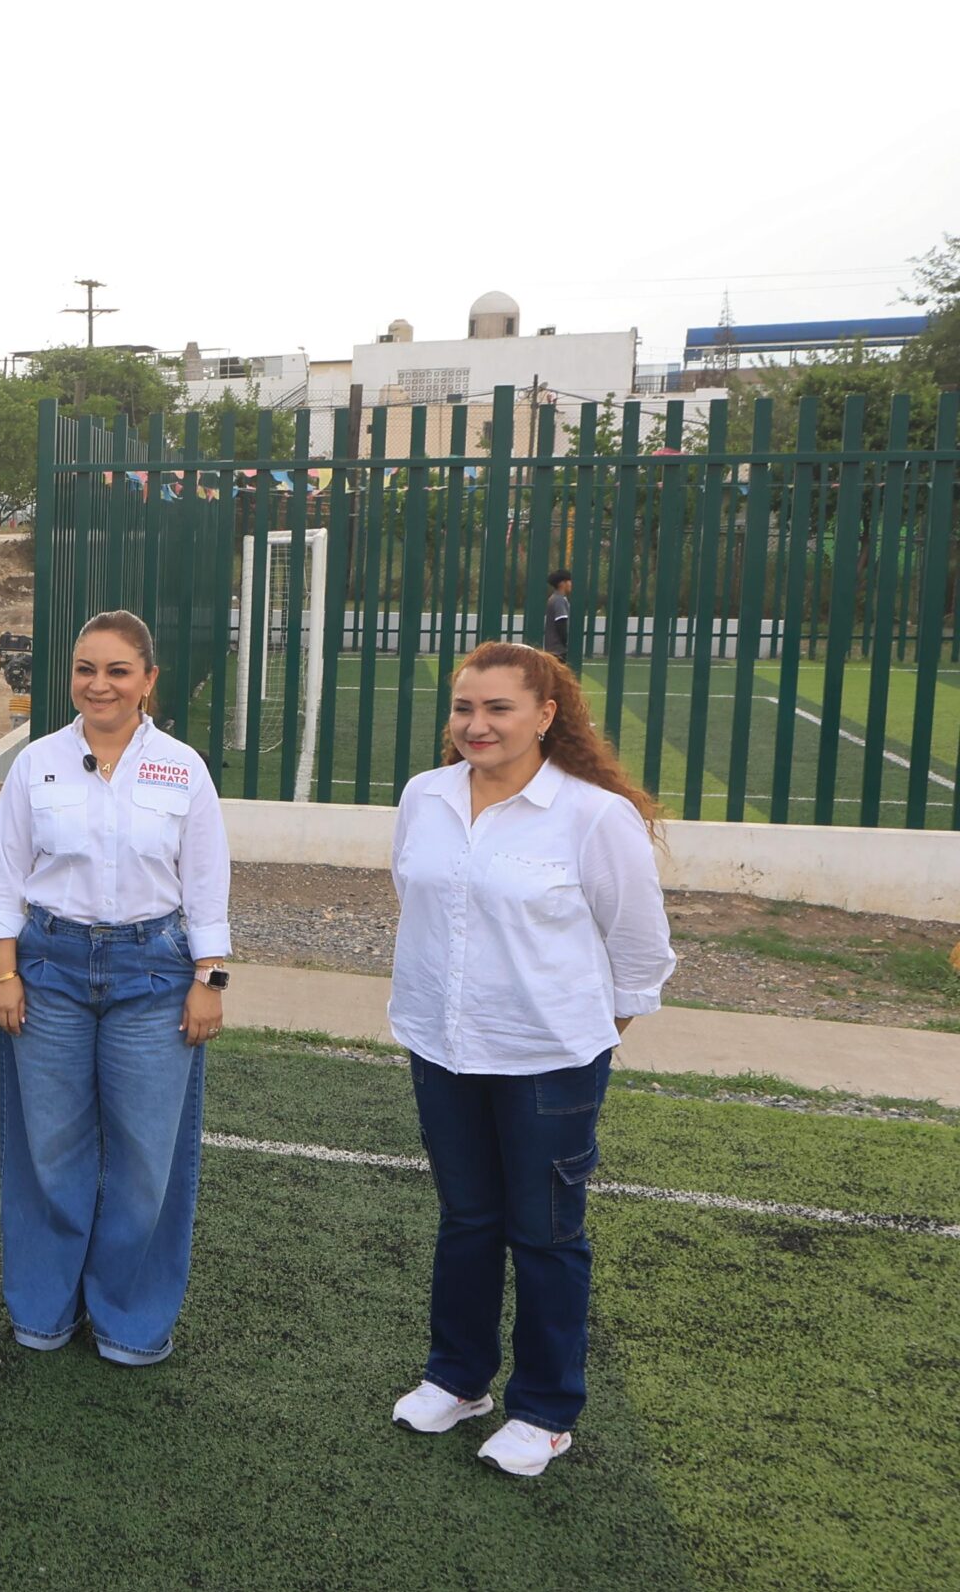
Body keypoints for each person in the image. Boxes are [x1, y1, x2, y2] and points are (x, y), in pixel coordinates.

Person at [386, 641, 675, 1479]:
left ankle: (545, 1411)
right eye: (464, 707)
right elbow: (418, 897)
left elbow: (639, 951)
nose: (476, 724)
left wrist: (581, 1031)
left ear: (546, 715)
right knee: (467, 1219)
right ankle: (458, 1379)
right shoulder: (425, 796)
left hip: (550, 1061)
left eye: (498, 708)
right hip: (442, 1047)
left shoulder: (593, 815)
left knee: (546, 1233)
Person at [0, 609, 231, 1363]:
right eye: (86, 669)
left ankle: (129, 1320)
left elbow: (207, 885)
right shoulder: (37, 763)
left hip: (154, 974)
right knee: (48, 1149)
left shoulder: (183, 768)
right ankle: (44, 1310)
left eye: (118, 670)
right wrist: (3, 973)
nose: (100, 685)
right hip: (48, 971)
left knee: (147, 1158)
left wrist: (209, 980)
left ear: (148, 680)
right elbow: (5, 875)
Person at [542, 569, 574, 659]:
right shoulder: (559, 600)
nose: (571, 584)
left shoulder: (555, 598)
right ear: (562, 583)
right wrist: (567, 643)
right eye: (569, 581)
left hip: (553, 649)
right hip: (558, 650)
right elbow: (561, 623)